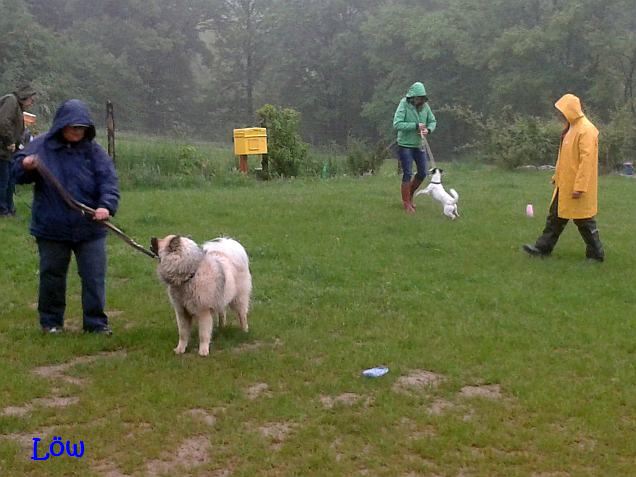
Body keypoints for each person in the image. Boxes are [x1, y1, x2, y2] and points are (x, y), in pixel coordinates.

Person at [12, 99, 120, 334]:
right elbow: (16, 172)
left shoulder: (95, 152)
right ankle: (51, 323)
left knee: (94, 277)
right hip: (52, 227)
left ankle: (96, 324)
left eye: (82, 128)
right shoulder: (41, 146)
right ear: (62, 125)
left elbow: (109, 182)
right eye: (73, 127)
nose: (77, 132)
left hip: (90, 228)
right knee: (52, 277)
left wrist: (106, 207)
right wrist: (25, 166)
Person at [523, 93, 604, 262]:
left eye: (562, 111)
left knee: (584, 221)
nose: (559, 115)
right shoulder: (571, 128)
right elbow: (565, 157)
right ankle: (542, 248)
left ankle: (596, 254)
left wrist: (580, 187)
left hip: (577, 187)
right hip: (564, 185)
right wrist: (557, 176)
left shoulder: (586, 130)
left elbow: (586, 161)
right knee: (555, 217)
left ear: (570, 110)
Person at [393, 81, 437, 213]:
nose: (421, 101)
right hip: (405, 145)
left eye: (423, 98)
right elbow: (397, 124)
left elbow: (433, 121)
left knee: (423, 172)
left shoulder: (426, 107)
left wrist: (428, 130)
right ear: (412, 97)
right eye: (418, 98)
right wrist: (415, 126)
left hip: (419, 144)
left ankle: (410, 195)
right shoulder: (403, 104)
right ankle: (406, 203)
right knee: (407, 173)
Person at [0, 84, 36, 216]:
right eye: (32, 99)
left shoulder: (17, 106)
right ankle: (2, 211)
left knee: (10, 181)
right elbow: (3, 122)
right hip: (2, 149)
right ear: (25, 96)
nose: (32, 103)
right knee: (3, 182)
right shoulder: (11, 100)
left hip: (7, 152)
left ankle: (9, 209)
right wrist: (9, 141)